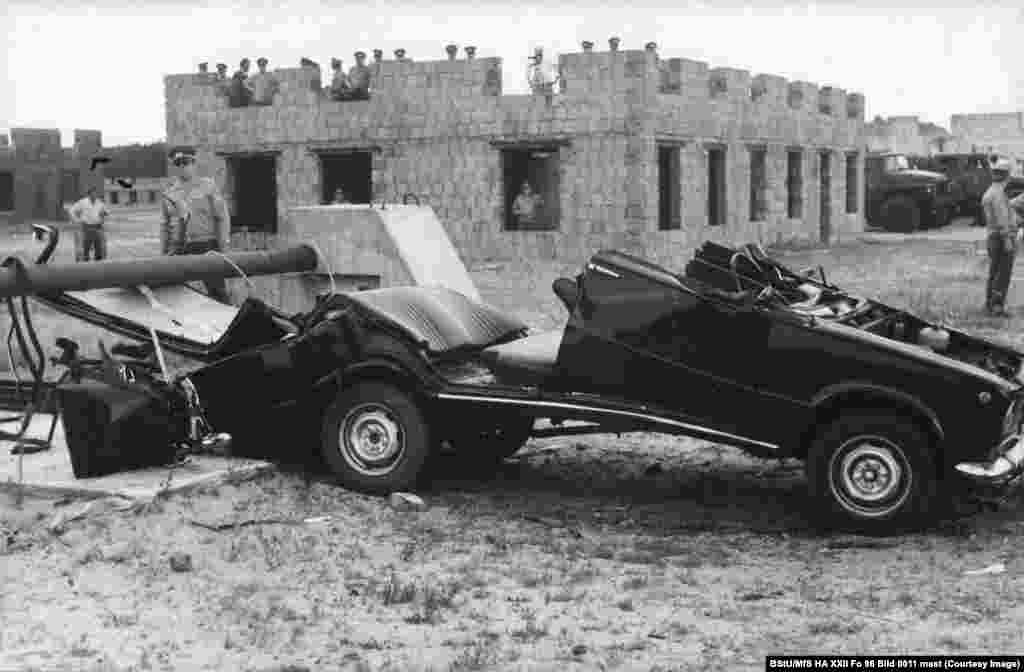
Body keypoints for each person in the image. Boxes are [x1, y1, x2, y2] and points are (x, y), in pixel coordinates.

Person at [161, 146, 232, 304]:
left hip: (206, 245)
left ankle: (226, 324)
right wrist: (164, 252)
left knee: (218, 292)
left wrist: (224, 244)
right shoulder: (169, 192)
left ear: (194, 163)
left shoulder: (208, 186)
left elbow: (222, 216)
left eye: (186, 162)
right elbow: (165, 225)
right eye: (178, 164)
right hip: (179, 248)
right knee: (174, 292)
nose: (182, 167)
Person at [981, 157, 1024, 316]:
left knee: (994, 272)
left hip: (993, 236)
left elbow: (1005, 216)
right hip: (1001, 238)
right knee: (1003, 274)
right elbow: (1001, 219)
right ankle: (997, 307)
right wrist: (1007, 239)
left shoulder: (990, 192)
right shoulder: (999, 195)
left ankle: (989, 304)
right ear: (1007, 175)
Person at [68, 186, 109, 261]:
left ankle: (98, 262)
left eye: (96, 193)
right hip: (86, 228)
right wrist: (77, 220)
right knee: (85, 248)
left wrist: (104, 215)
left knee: (99, 248)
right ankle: (85, 262)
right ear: (89, 194)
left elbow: (106, 212)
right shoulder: (83, 202)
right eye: (93, 193)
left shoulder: (100, 203)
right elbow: (71, 211)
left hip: (97, 227)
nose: (95, 195)